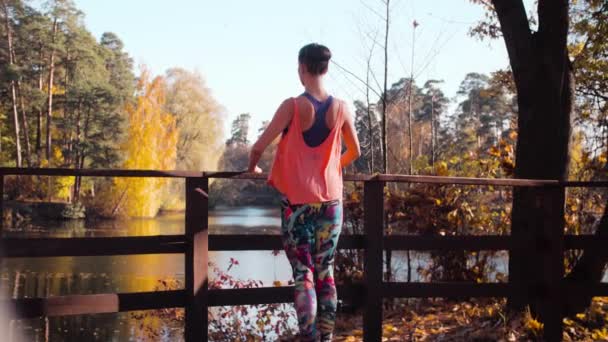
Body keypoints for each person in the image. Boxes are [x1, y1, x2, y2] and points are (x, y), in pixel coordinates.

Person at [247, 43, 361, 341]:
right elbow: (355, 151)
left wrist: (253, 168)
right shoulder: (341, 108)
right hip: (331, 202)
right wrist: (331, 168)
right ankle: (326, 338)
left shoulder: (293, 106)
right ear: (325, 68)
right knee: (326, 272)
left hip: (298, 204)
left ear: (302, 68)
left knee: (304, 274)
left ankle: (309, 339)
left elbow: (259, 146)